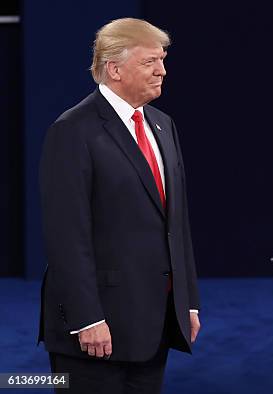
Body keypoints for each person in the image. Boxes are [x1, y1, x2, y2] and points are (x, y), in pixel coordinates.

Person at [38, 18, 201, 394]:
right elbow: (66, 236)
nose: (163, 70)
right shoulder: (73, 130)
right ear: (114, 68)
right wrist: (86, 318)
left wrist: (187, 302)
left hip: (155, 323)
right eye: (150, 62)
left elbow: (176, 223)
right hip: (98, 329)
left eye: (162, 60)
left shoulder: (163, 124)